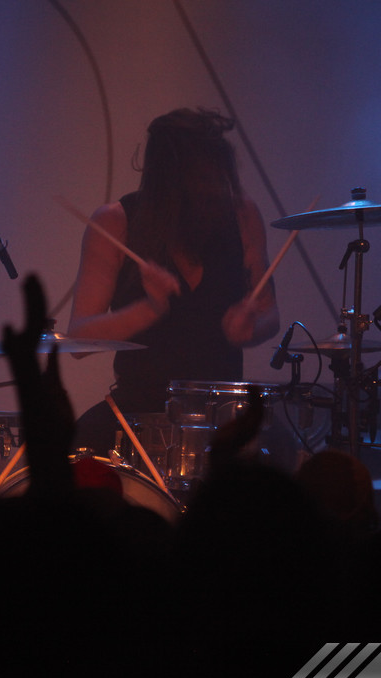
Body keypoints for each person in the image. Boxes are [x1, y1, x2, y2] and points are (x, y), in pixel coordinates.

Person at [68, 107, 279, 456]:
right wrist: (148, 310)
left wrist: (251, 328)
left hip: (223, 415)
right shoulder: (115, 222)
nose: (210, 192)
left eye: (216, 180)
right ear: (167, 181)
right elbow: (79, 339)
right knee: (72, 455)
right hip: (137, 411)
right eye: (200, 181)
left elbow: (270, 315)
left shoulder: (242, 214)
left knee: (280, 453)